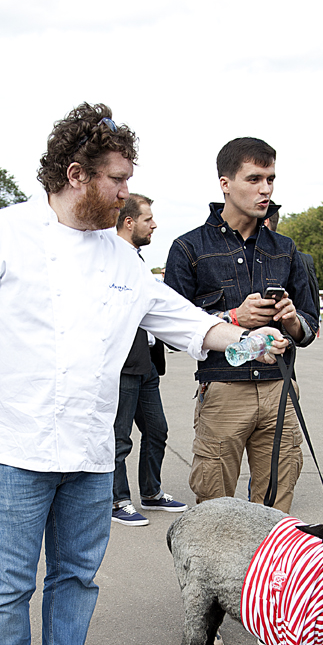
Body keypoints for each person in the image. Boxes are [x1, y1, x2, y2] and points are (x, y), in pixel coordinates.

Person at [0, 102, 288, 645]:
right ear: (76, 173)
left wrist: (249, 343)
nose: (127, 191)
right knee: (9, 582)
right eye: (118, 178)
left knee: (75, 576)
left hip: (89, 452)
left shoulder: (117, 259)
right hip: (13, 445)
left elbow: (183, 321)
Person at [164, 137, 319, 516]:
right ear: (225, 183)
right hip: (224, 390)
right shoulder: (189, 248)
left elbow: (309, 327)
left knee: (276, 510)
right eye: (254, 179)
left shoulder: (286, 248)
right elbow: (170, 331)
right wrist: (233, 318)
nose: (265, 189)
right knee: (215, 511)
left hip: (278, 388)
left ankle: (268, 577)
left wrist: (290, 320)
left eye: (270, 179)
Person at [112, 194, 186, 526]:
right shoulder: (114, 259)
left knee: (157, 430)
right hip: (124, 365)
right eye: (148, 219)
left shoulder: (137, 260)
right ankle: (117, 500)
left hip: (146, 364)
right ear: (129, 223)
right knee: (120, 438)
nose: (154, 224)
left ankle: (151, 493)